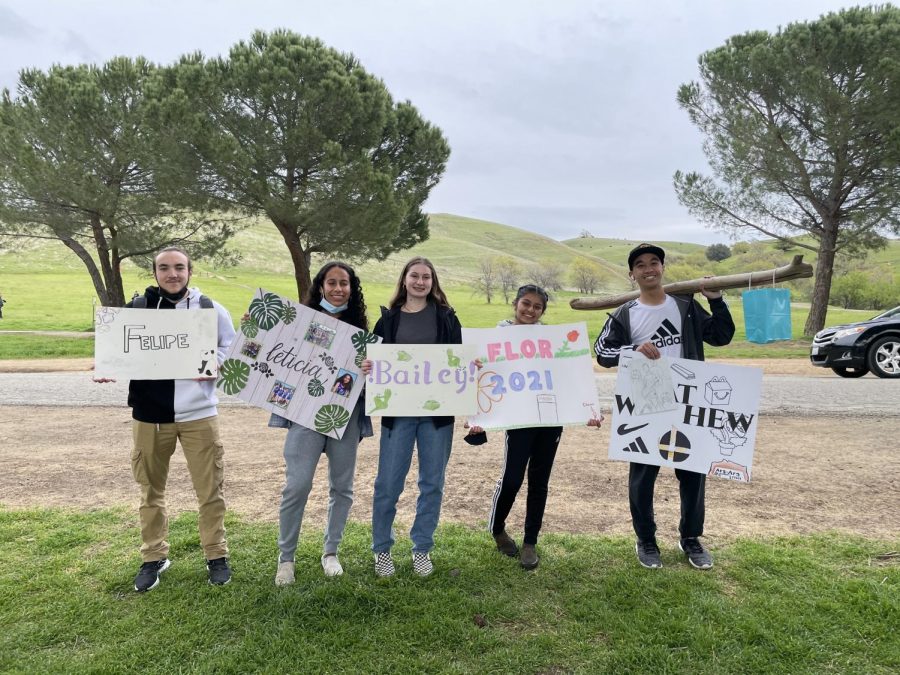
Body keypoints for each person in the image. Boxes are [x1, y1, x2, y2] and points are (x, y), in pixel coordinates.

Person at [95, 247, 237, 591]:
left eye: (178, 267)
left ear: (190, 271)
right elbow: (116, 349)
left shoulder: (209, 309)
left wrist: (217, 362)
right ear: (154, 273)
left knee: (210, 491)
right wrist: (106, 366)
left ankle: (215, 555)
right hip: (148, 417)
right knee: (150, 491)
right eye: (164, 268)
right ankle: (153, 556)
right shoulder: (138, 310)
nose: (172, 274)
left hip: (199, 416)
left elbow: (231, 348)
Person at [593, 243, 734, 570]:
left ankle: (691, 539)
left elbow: (721, 335)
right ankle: (646, 540)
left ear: (662, 268)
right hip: (646, 399)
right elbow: (602, 352)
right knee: (643, 476)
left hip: (689, 397)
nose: (648, 269)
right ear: (633, 274)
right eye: (640, 265)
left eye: (654, 262)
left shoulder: (685, 305)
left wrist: (717, 300)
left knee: (693, 473)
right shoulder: (625, 313)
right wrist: (633, 349)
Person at [468, 285, 603, 570]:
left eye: (536, 307)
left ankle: (530, 541)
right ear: (516, 304)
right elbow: (486, 378)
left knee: (539, 482)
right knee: (512, 478)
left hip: (549, 420)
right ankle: (498, 529)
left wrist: (587, 411)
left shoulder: (550, 340)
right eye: (525, 304)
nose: (530, 310)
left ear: (542, 311)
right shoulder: (496, 338)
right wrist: (479, 414)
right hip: (519, 421)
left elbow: (570, 377)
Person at [270, 262, 373, 586]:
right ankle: (286, 559)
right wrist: (254, 328)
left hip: (346, 417)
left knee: (342, 488)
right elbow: (273, 352)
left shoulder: (361, 332)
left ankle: (331, 552)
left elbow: (371, 381)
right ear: (321, 286)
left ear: (351, 289)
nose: (338, 288)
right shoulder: (302, 324)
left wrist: (373, 370)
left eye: (344, 283)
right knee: (296, 485)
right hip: (305, 415)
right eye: (332, 282)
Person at [366, 257, 463, 577]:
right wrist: (369, 366)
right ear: (404, 280)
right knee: (388, 484)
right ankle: (382, 550)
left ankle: (422, 549)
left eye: (426, 277)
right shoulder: (388, 320)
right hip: (398, 415)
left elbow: (460, 360)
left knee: (432, 483)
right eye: (415, 276)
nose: (420, 282)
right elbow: (373, 362)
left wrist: (470, 367)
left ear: (433, 282)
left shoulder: (447, 318)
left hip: (437, 418)